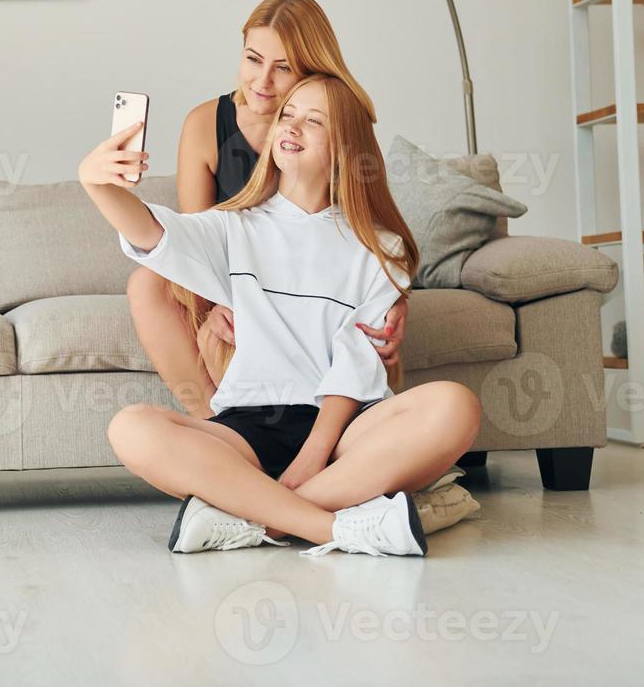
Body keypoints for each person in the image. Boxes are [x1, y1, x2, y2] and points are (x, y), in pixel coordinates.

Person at [78, 75, 481, 556]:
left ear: (345, 152)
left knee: (455, 406)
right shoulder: (231, 227)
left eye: (314, 121)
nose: (292, 125)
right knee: (132, 427)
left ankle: (255, 518)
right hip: (250, 426)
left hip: (345, 434)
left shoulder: (381, 248)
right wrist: (96, 183)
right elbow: (151, 234)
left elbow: (357, 363)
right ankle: (334, 529)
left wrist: (314, 454)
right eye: (288, 114)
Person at [126, 0, 409, 418]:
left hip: (318, 297)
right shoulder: (206, 124)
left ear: (313, 70)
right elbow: (192, 242)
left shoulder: (336, 124)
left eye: (283, 68)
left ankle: (330, 438)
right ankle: (217, 431)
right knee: (148, 283)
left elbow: (372, 236)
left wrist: (399, 302)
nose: (262, 82)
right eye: (253, 59)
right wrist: (219, 305)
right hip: (235, 288)